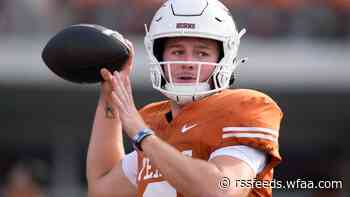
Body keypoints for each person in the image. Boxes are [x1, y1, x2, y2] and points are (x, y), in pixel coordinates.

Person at [86, 0, 283, 196]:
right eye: (178, 51)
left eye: (202, 53)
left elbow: (221, 190)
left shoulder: (244, 108)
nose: (188, 62)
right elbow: (102, 189)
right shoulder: (155, 122)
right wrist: (111, 96)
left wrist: (142, 135)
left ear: (224, 58)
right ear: (157, 56)